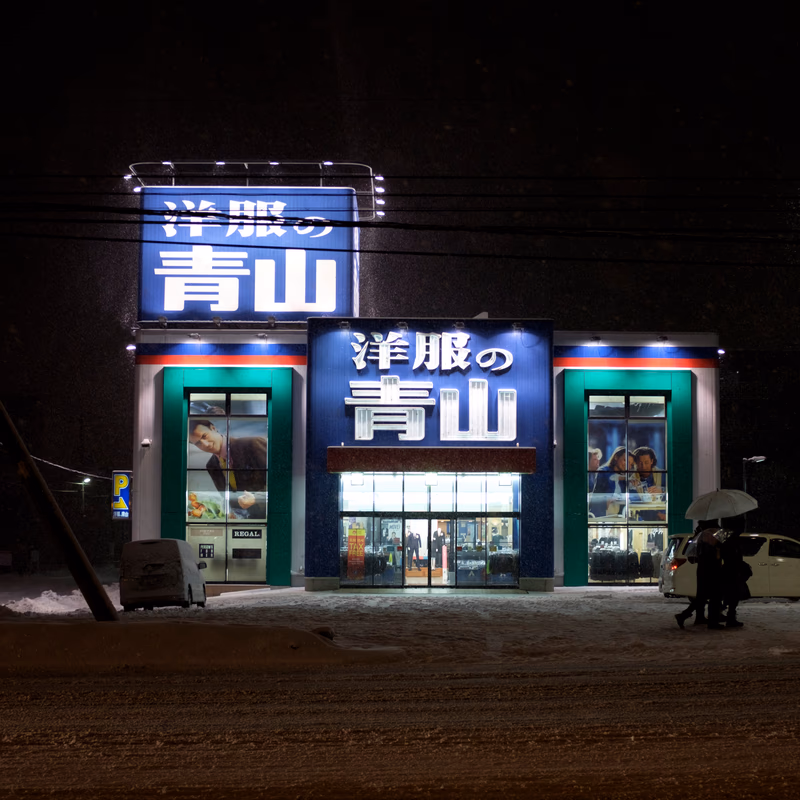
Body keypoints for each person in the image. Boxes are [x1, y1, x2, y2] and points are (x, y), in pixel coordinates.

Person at [188, 419, 267, 519]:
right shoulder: (211, 465)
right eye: (198, 443)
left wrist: (257, 498)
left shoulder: (253, 444)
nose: (206, 444)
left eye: (204, 436)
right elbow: (227, 497)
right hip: (246, 521)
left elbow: (280, 481)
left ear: (213, 428)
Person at [675, 519, 723, 628]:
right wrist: (718, 549)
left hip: (703, 568)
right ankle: (711, 621)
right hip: (711, 569)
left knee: (702, 595)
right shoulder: (709, 534)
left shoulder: (700, 535)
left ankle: (694, 617)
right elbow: (712, 553)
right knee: (713, 595)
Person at [719, 514, 750, 628]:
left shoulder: (728, 538)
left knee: (731, 595)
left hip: (731, 570)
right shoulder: (730, 539)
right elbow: (731, 556)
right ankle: (730, 618)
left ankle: (729, 616)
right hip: (732, 572)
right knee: (733, 595)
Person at [590, 446, 634, 517]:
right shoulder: (603, 471)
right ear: (616, 457)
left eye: (631, 464)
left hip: (618, 516)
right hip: (602, 515)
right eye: (625, 460)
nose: (627, 466)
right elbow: (609, 479)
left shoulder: (624, 478)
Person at [633, 446, 666, 522]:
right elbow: (635, 504)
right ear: (636, 463)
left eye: (646, 462)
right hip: (641, 519)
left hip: (665, 516)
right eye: (640, 463)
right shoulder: (632, 480)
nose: (643, 466)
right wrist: (657, 515)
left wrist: (662, 490)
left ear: (652, 461)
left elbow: (674, 493)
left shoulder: (663, 475)